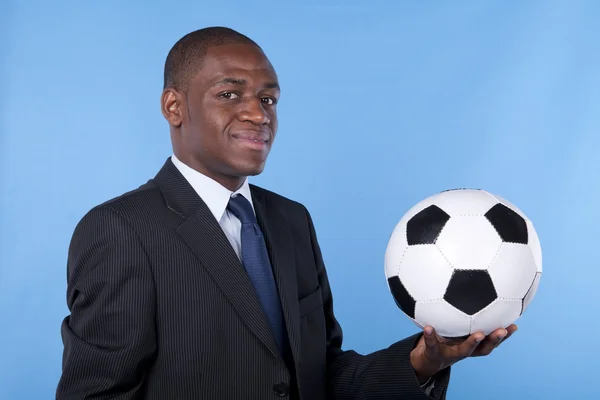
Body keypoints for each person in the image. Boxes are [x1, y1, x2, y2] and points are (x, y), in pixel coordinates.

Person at [56, 27, 516, 400]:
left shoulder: (291, 221)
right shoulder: (121, 230)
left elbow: (324, 377)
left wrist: (426, 360)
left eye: (269, 99)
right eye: (230, 95)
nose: (258, 114)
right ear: (174, 107)